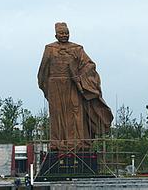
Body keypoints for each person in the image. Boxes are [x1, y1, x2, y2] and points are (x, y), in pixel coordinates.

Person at [37, 22, 113, 151]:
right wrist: (46, 87)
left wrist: (80, 76)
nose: (64, 35)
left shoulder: (77, 49)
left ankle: (77, 143)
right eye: (61, 33)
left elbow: (90, 65)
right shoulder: (49, 49)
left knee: (76, 113)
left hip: (72, 86)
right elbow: (43, 71)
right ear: (56, 35)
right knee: (57, 114)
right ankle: (58, 143)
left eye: (66, 33)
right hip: (55, 86)